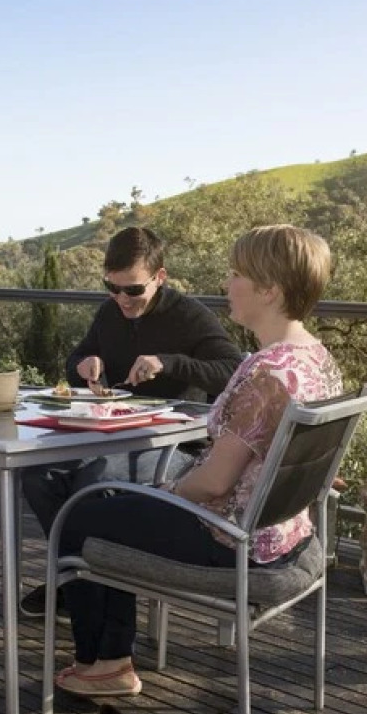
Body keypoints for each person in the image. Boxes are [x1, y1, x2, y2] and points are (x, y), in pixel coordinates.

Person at [52, 224, 344, 698]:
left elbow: (212, 484)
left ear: (268, 290)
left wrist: (162, 493)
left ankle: (105, 664)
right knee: (110, 502)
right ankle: (110, 655)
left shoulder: (266, 375)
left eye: (235, 274)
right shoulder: (315, 358)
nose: (226, 284)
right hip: (288, 533)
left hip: (234, 541)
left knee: (80, 514)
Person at [19, 226, 243, 613]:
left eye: (133, 290)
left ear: (160, 277)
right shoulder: (110, 313)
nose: (122, 298)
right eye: (113, 287)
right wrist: (84, 365)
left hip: (176, 444)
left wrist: (169, 362)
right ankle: (74, 578)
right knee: (40, 476)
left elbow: (233, 369)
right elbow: (76, 362)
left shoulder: (188, 316)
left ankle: (89, 590)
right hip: (112, 434)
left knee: (96, 481)